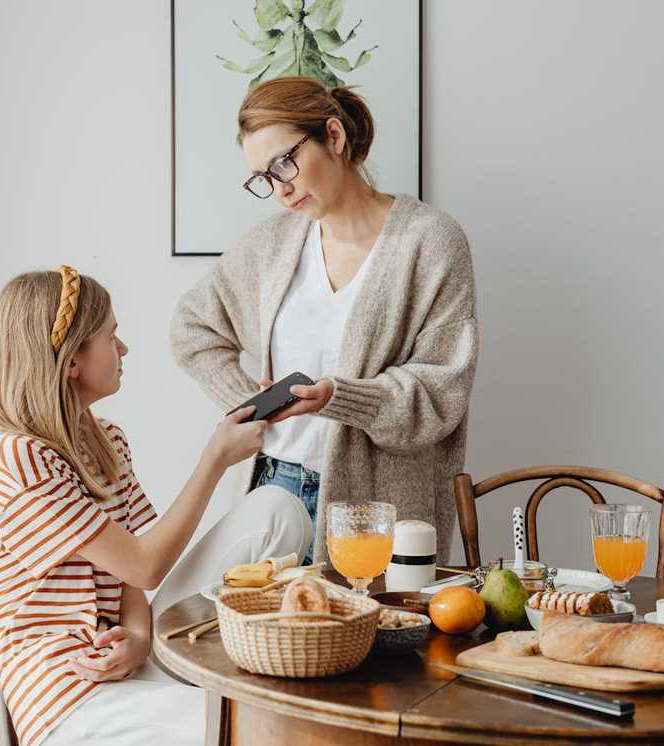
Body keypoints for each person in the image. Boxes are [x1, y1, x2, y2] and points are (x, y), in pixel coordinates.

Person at [0, 267, 312, 746]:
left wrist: (139, 640)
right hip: (69, 698)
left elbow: (131, 575)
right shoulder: (16, 457)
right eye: (111, 337)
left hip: (127, 663)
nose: (123, 350)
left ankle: (219, 676)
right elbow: (145, 566)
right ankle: (218, 693)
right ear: (72, 361)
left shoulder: (103, 440)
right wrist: (216, 458)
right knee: (254, 727)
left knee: (278, 509)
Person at [171, 76, 479, 566]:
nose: (279, 188)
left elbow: (441, 395)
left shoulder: (430, 241)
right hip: (271, 490)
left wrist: (341, 397)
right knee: (249, 641)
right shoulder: (269, 245)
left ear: (333, 136)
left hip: (376, 508)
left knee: (376, 640)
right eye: (263, 177)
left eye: (282, 162)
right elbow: (193, 329)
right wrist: (251, 403)